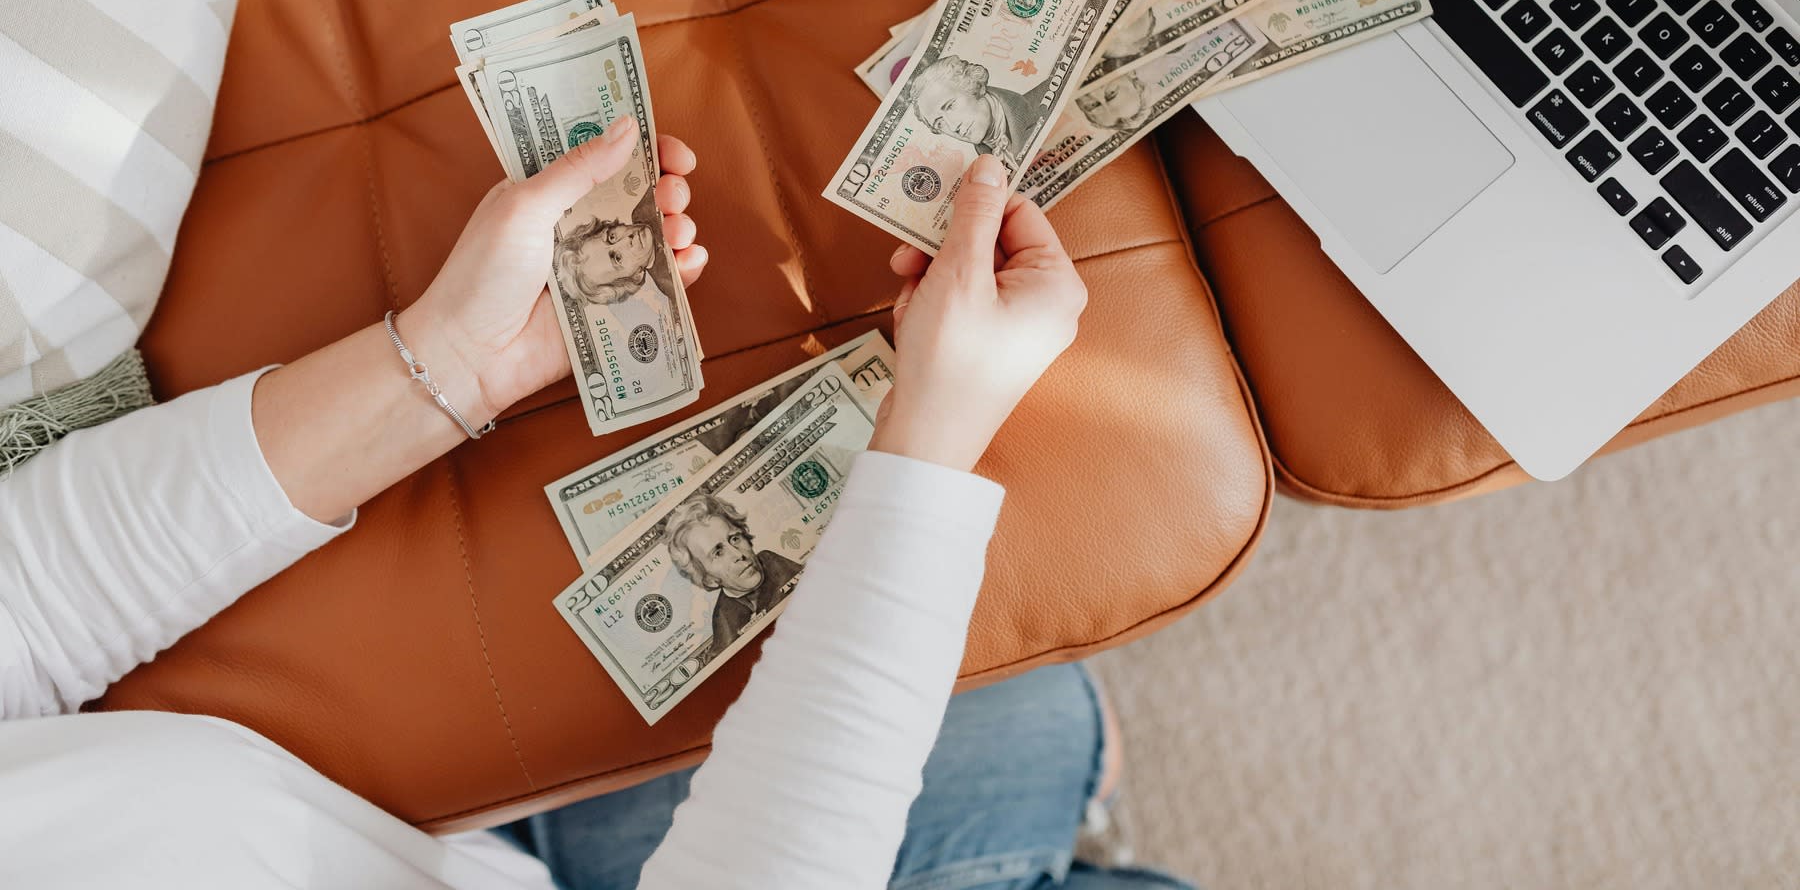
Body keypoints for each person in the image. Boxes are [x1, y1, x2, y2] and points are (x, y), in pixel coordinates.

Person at [0, 116, 1194, 889]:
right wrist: (932, 435)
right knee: (1037, 734)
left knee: (1026, 730)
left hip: (437, 836)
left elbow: (34, 600)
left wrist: (450, 362)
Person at [663, 493, 803, 650]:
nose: (738, 555)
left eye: (735, 539)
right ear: (709, 579)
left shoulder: (773, 562)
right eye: (718, 553)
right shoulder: (724, 622)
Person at [905, 55, 1039, 167]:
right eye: (939, 124)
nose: (953, 126)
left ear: (975, 85)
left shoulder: (1040, 104)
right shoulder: (982, 160)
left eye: (950, 106)